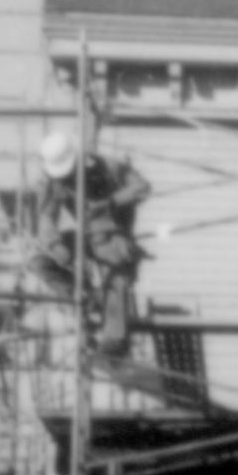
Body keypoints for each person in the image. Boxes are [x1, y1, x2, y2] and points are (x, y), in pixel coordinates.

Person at [32, 123, 152, 355]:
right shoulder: (54, 180)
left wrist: (112, 201)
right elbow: (46, 215)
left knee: (118, 274)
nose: (67, 178)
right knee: (38, 261)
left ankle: (113, 339)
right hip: (86, 237)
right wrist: (55, 244)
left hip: (113, 236)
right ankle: (86, 296)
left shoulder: (108, 167)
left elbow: (142, 187)